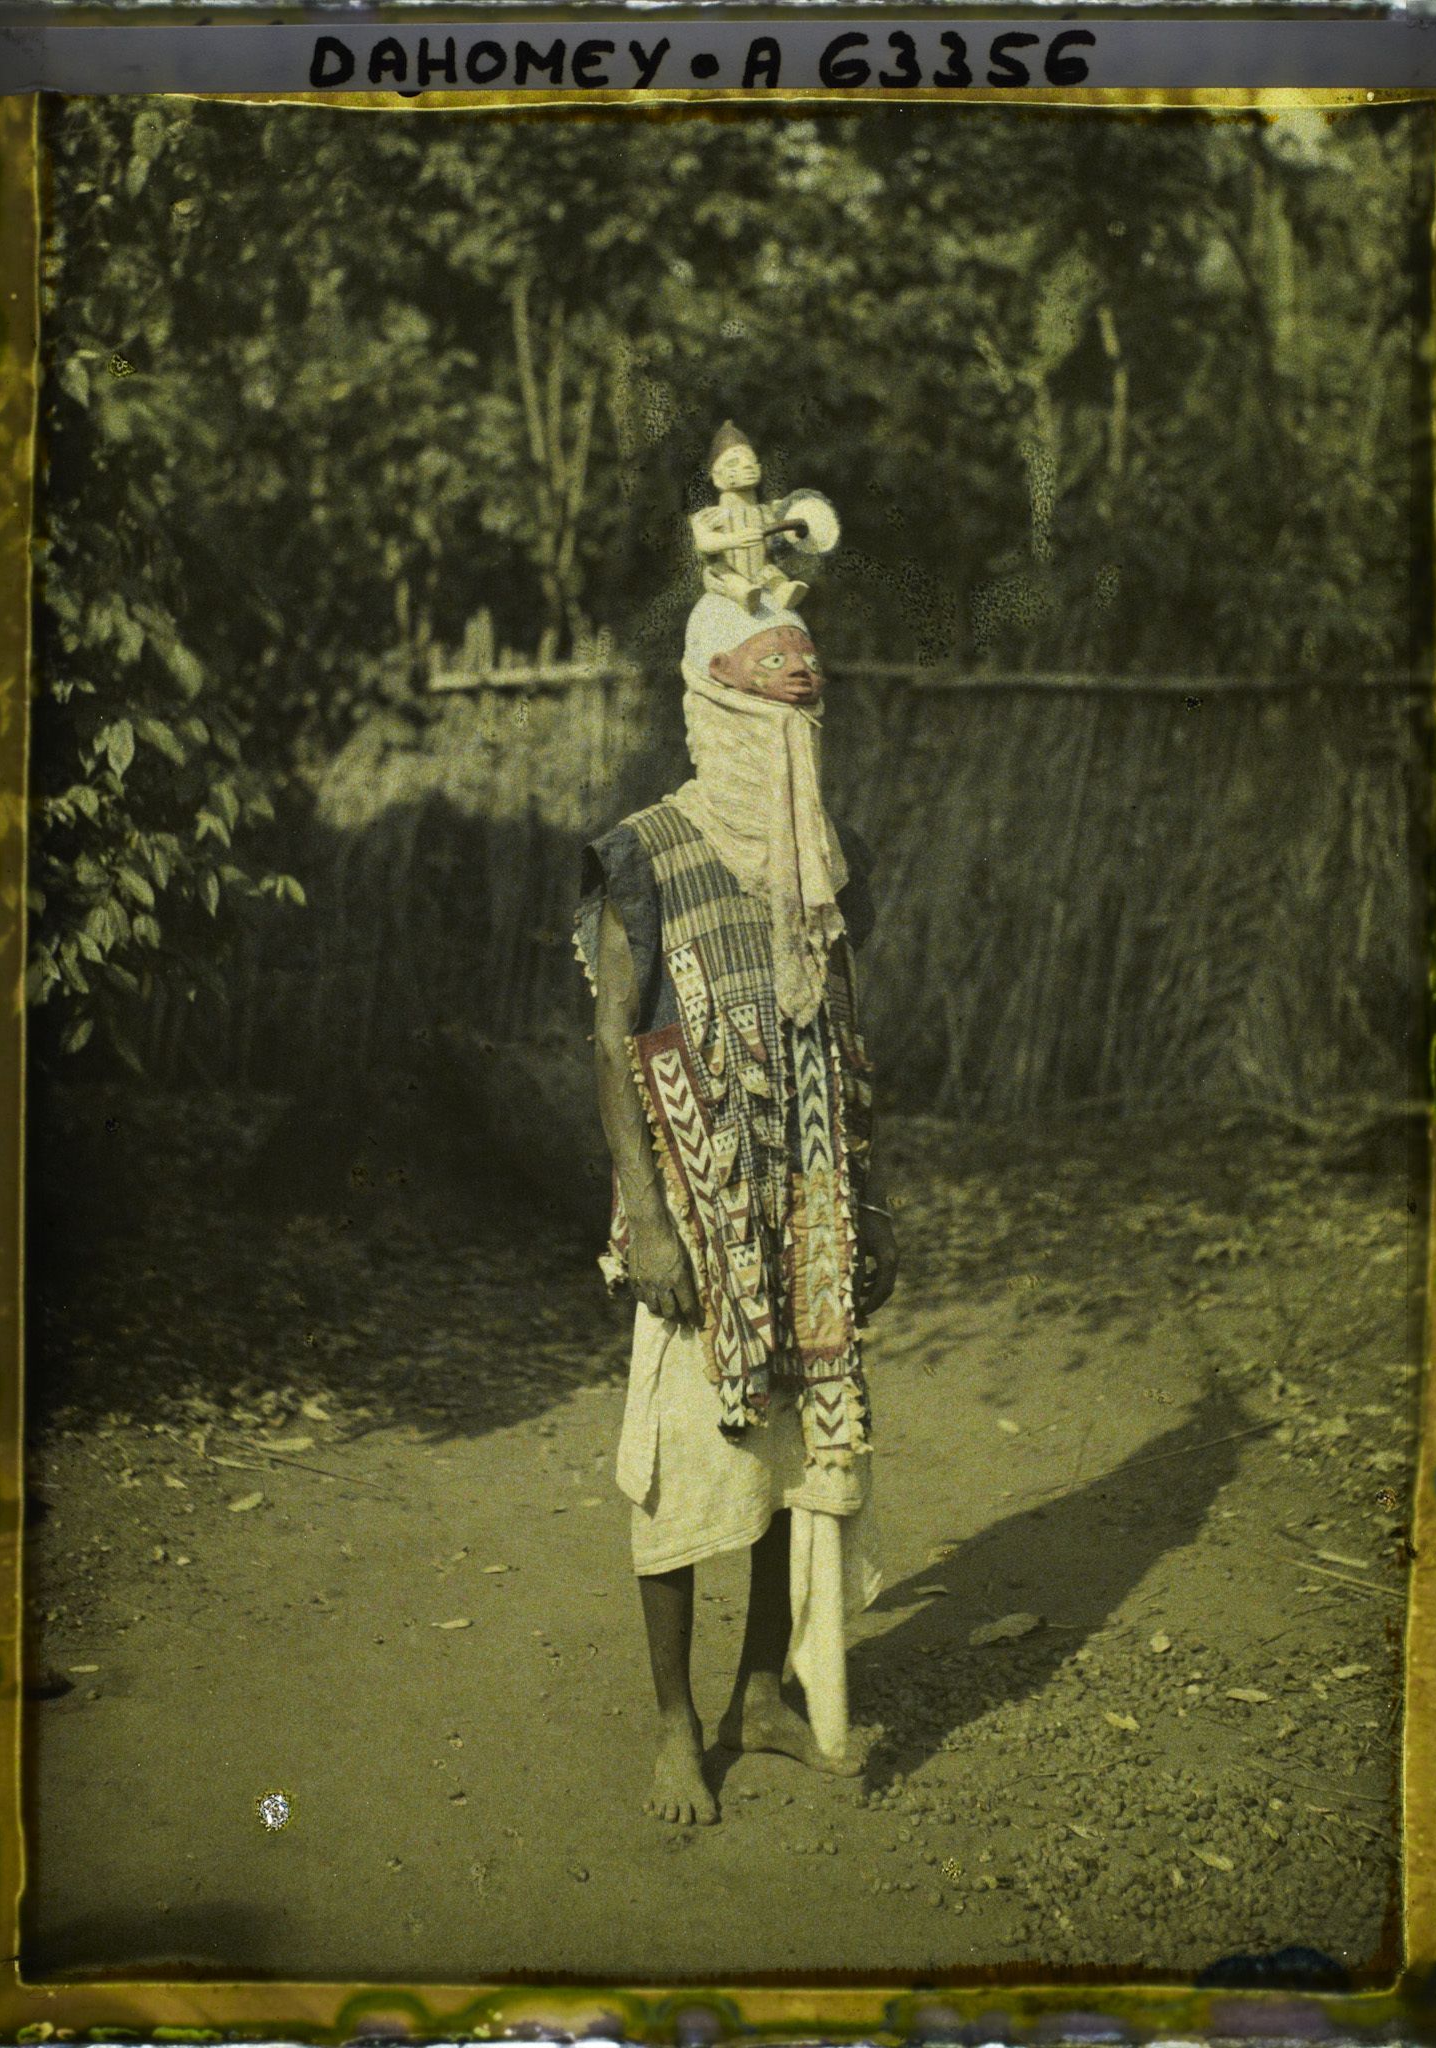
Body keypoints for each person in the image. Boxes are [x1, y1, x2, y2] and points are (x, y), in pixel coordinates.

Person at [573, 590, 898, 1826]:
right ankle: (675, 1723)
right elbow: (613, 1041)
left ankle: (760, 1689)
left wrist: (870, 1201)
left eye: (800, 717)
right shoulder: (644, 849)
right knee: (679, 1464)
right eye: (765, 712)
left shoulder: (820, 852)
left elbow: (845, 1032)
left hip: (805, 1188)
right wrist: (651, 1219)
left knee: (792, 1453)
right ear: (714, 707)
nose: (786, 739)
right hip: (696, 1199)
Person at [689, 421, 816, 613]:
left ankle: (783, 590)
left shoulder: (769, 510)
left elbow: (789, 532)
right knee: (728, 577)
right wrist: (733, 539)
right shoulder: (710, 515)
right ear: (716, 476)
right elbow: (704, 542)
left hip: (761, 569)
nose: (746, 465)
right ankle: (745, 595)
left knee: (771, 572)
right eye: (733, 463)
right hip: (728, 569)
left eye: (751, 460)